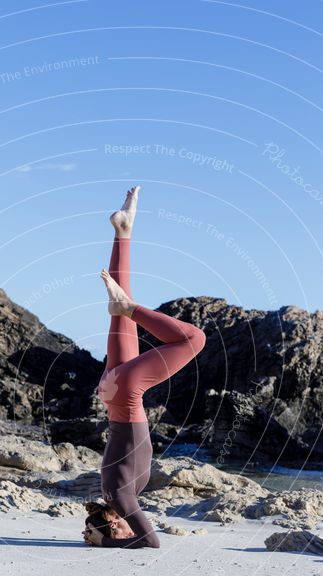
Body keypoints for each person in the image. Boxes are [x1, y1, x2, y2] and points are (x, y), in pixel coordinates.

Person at [83, 186, 206, 549]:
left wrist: (104, 543)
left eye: (116, 533)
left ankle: (130, 305)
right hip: (111, 391)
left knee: (193, 340)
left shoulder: (121, 499)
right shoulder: (113, 493)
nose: (127, 532)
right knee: (122, 302)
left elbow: (149, 543)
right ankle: (123, 229)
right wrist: (99, 534)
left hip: (126, 395)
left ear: (115, 525)